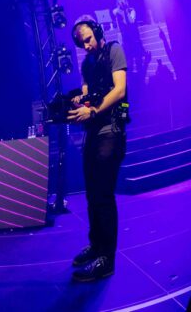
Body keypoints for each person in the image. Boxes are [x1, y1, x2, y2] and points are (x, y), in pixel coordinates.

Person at [68, 20, 128, 282]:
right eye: (81, 43)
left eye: (88, 39)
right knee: (92, 194)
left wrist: (92, 110)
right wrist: (80, 102)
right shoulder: (86, 64)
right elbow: (86, 93)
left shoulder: (114, 50)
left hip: (111, 130)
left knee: (103, 194)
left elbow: (120, 90)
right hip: (93, 132)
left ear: (98, 33)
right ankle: (96, 246)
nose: (86, 45)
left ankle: (106, 259)